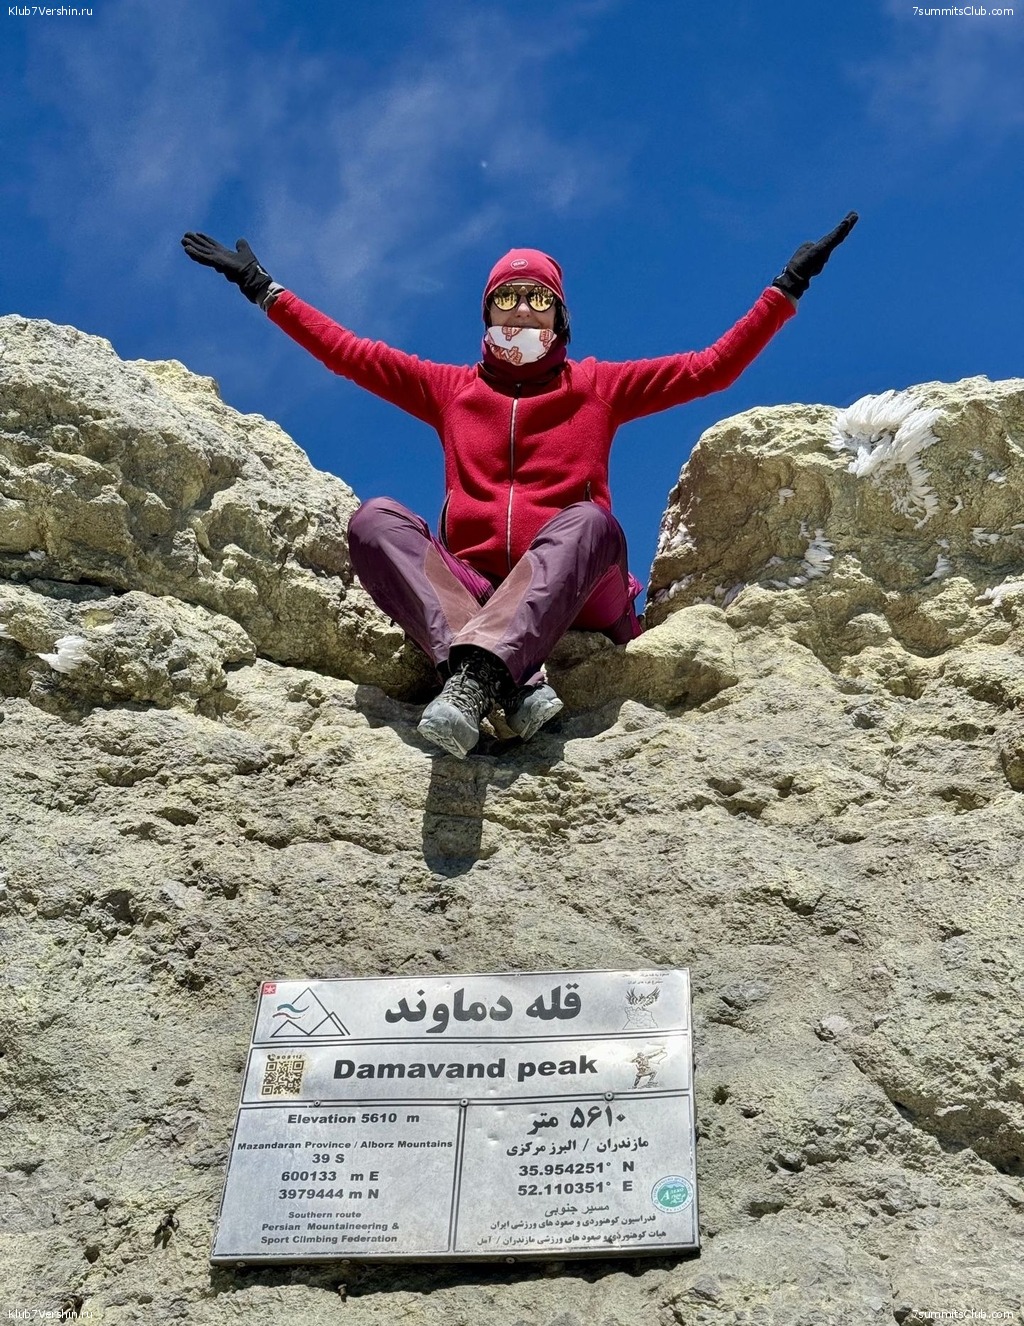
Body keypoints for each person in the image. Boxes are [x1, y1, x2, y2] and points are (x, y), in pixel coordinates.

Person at [181, 214, 857, 757]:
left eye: (539, 299)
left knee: (590, 522)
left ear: (560, 318)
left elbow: (712, 367)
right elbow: (348, 353)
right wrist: (263, 288)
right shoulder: (451, 390)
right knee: (375, 520)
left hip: (578, 593)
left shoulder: (598, 386)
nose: (523, 311)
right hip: (479, 588)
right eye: (507, 298)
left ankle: (476, 677)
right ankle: (506, 682)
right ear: (488, 314)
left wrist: (786, 287)